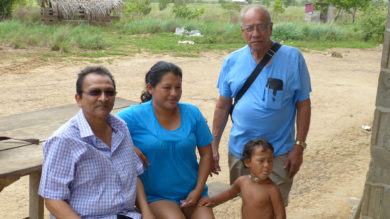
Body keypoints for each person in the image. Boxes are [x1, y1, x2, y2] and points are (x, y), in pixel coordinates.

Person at [211, 5, 311, 206]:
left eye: (261, 27)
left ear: (271, 28)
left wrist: (298, 147)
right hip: (241, 152)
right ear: (242, 32)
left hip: (278, 153)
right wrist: (213, 145)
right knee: (249, 203)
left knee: (274, 207)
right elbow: (223, 106)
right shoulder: (232, 61)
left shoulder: (293, 58)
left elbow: (304, 105)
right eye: (249, 28)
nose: (255, 34)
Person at [38, 66, 154, 219]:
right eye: (95, 92)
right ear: (78, 99)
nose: (103, 98)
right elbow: (53, 199)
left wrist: (147, 213)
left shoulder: (121, 129)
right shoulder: (64, 140)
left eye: (109, 92)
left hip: (126, 215)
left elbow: (134, 176)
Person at [117, 61, 215, 219]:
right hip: (156, 195)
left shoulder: (192, 113)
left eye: (178, 87)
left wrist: (198, 190)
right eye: (167, 88)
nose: (174, 93)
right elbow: (102, 130)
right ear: (150, 88)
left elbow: (206, 155)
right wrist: (127, 147)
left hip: (192, 191)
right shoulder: (133, 116)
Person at [199, 138, 286, 219]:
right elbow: (230, 193)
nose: (267, 165)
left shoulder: (272, 189)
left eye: (270, 161)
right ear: (247, 162)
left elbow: (280, 215)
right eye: (261, 161)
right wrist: (211, 200)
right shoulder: (242, 181)